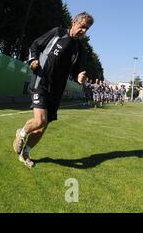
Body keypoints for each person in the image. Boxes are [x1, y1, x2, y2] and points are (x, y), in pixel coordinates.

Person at [13, 12, 94, 168]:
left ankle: (25, 153)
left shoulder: (78, 48)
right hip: (41, 81)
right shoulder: (58, 33)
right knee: (40, 120)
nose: (84, 31)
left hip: (57, 91)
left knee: (43, 125)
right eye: (82, 27)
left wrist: (79, 77)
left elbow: (76, 70)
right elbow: (35, 45)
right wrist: (33, 60)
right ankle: (21, 133)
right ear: (74, 22)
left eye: (87, 29)